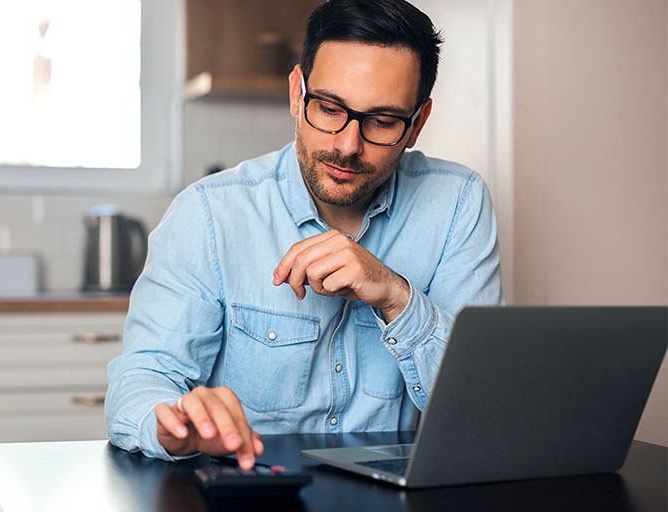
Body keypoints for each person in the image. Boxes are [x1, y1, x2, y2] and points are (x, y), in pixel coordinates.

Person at [106, 0, 503, 471]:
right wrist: (174, 425)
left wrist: (397, 296)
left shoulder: (458, 203)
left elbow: (482, 410)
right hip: (249, 496)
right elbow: (142, 379)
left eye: (382, 121)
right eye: (330, 108)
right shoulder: (209, 214)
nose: (347, 145)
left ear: (416, 123)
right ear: (297, 94)